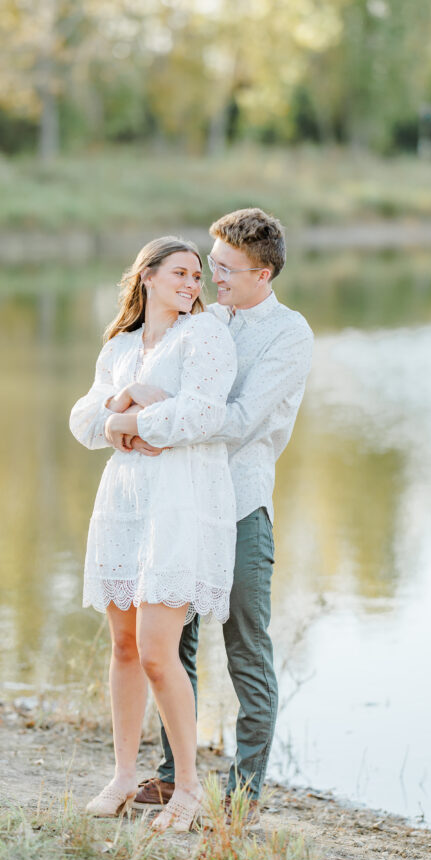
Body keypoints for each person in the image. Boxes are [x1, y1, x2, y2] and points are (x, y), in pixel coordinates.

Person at [126, 209, 314, 824]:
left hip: (238, 509)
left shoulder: (289, 334)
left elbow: (236, 420)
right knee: (170, 642)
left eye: (226, 268)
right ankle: (173, 777)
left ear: (263, 273)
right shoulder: (200, 318)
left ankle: (243, 793)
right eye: (210, 263)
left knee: (246, 651)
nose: (211, 276)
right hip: (180, 502)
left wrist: (158, 417)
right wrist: (150, 410)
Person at [69, 236, 238, 832]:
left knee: (160, 653)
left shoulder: (206, 336)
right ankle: (121, 776)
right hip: (124, 506)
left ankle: (187, 789)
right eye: (181, 273)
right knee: (122, 647)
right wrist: (127, 405)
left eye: (198, 275)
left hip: (178, 505)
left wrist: (136, 417)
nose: (193, 284)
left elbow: (203, 413)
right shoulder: (118, 345)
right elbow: (84, 420)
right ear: (148, 276)